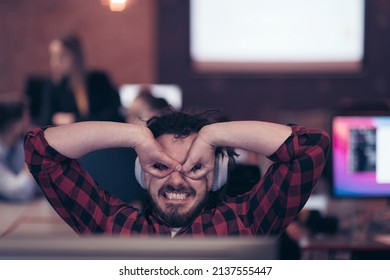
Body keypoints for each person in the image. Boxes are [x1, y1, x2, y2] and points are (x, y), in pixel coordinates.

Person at [24, 109, 330, 236]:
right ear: (142, 173)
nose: (176, 180)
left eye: (194, 168)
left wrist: (213, 135)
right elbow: (41, 151)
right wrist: (135, 137)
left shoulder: (247, 221)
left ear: (216, 174)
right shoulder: (111, 225)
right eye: (160, 166)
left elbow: (311, 148)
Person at [40, 33, 123, 126]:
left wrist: (74, 119)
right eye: (53, 56)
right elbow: (46, 123)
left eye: (61, 56)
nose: (55, 62)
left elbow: (115, 115)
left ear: (76, 56)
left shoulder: (99, 81)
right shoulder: (54, 87)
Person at [0, 98, 38, 201]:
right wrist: (32, 156)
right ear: (14, 127)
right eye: (26, 120)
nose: (31, 125)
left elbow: (38, 185)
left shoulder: (16, 147)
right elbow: (20, 192)